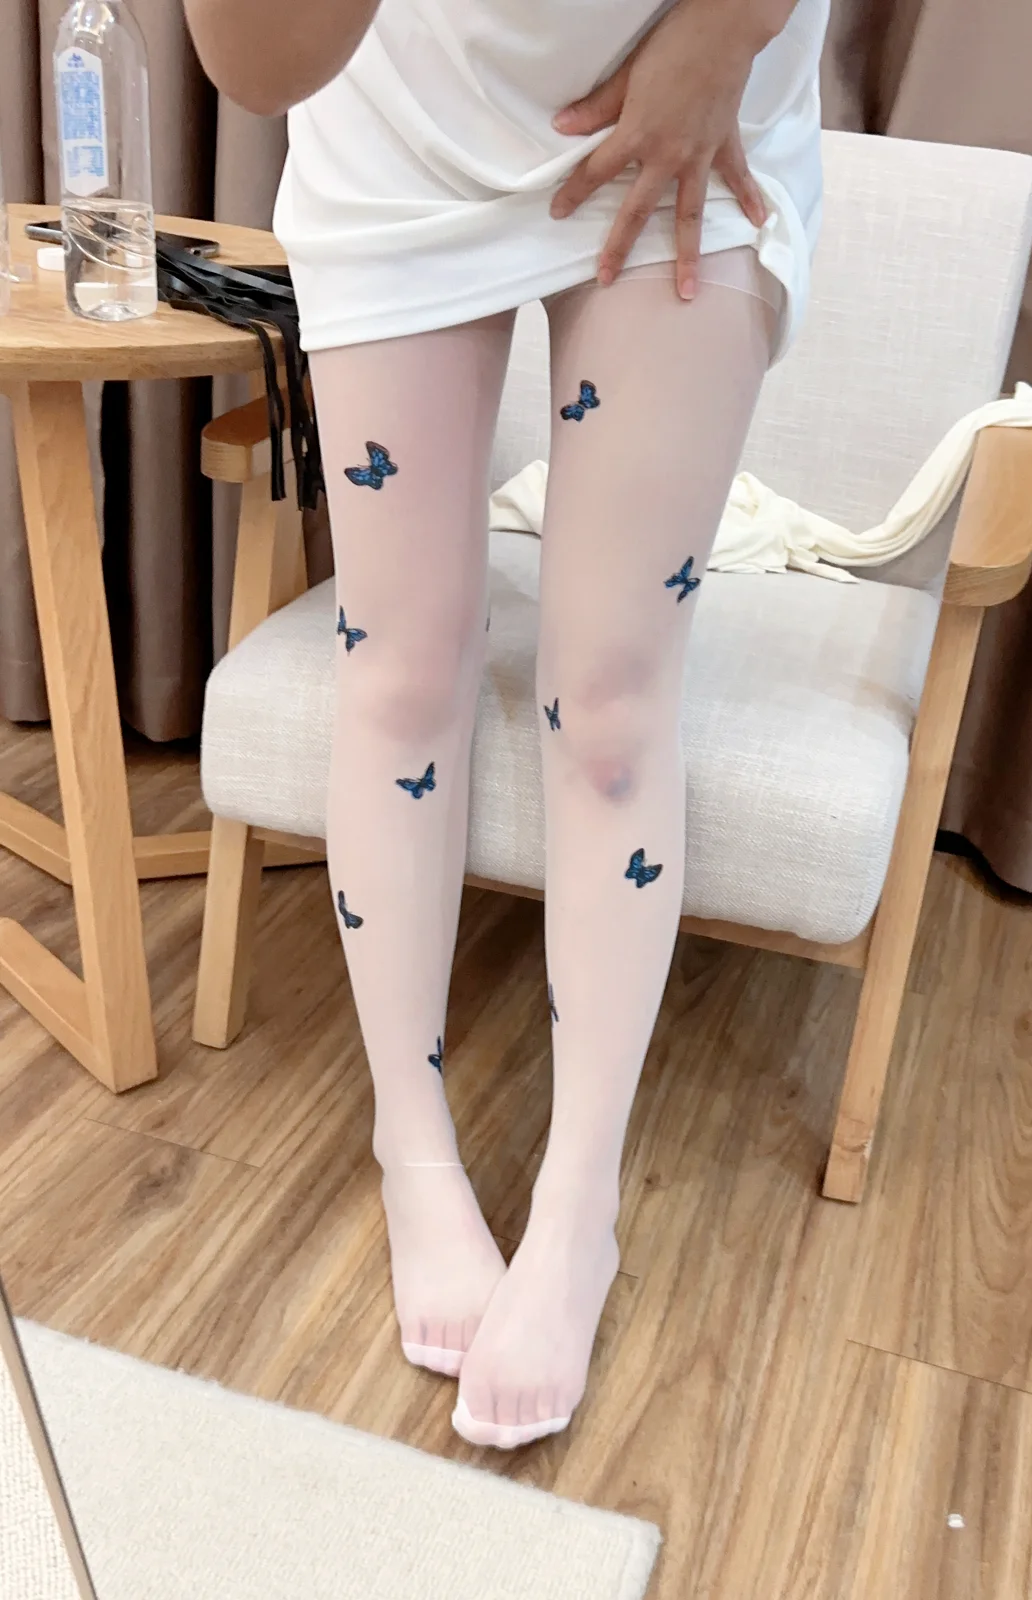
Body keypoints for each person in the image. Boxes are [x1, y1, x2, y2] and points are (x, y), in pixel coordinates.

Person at [184, 0, 829, 1450]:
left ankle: (579, 1201)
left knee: (610, 703)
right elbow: (257, 65)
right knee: (400, 670)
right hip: (398, 134)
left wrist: (731, 28)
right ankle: (411, 1147)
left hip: (685, 96)